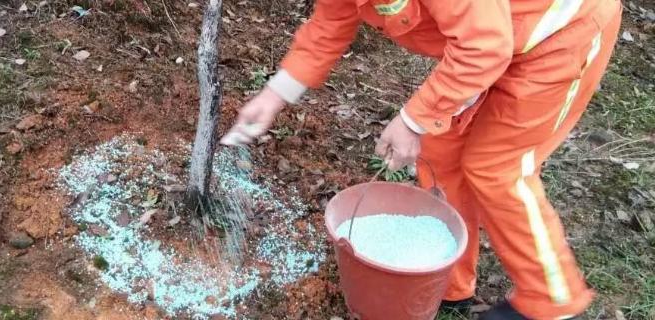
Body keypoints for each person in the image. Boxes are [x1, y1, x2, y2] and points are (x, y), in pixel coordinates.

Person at [220, 0, 623, 318]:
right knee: (442, 152)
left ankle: (551, 300)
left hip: (555, 35)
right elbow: (329, 26)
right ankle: (449, 283)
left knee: (497, 167)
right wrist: (273, 96)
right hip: (490, 39)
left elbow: (484, 47)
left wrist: (412, 121)